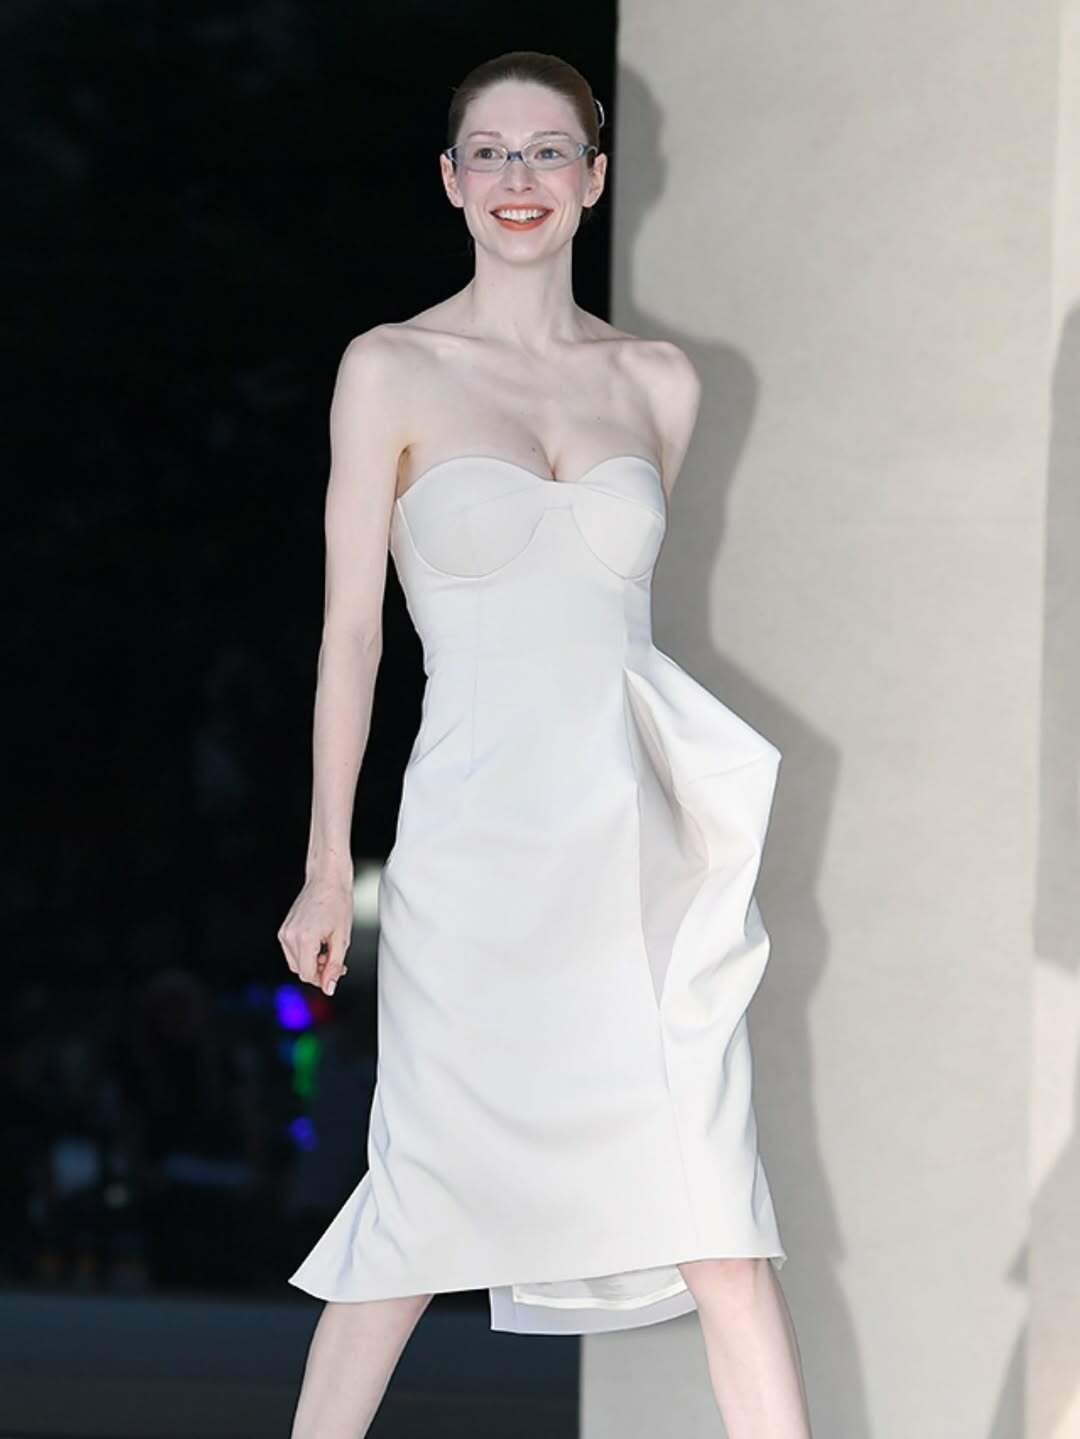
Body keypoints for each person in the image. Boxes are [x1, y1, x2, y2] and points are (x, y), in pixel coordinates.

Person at [278, 49, 812, 1439]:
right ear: (452, 182)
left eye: (549, 151)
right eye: (493, 152)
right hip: (475, 847)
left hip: (639, 857)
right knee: (414, 1213)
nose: (521, 177)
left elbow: (607, 626)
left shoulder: (660, 382)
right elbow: (352, 635)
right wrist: (329, 867)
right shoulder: (390, 368)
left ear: (595, 177)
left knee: (717, 1216)